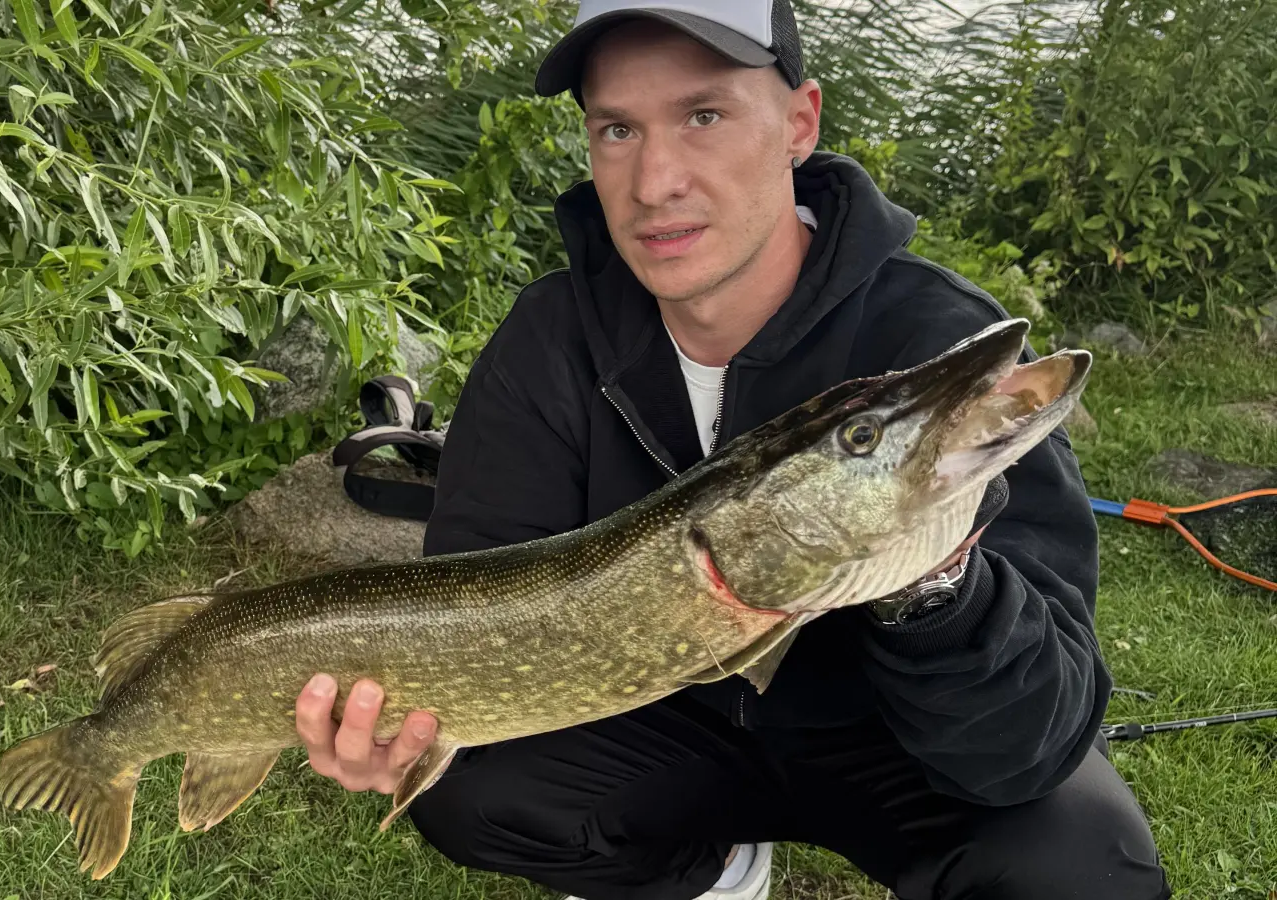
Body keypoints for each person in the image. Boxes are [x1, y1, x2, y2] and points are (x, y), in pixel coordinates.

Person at [292, 1, 1172, 897]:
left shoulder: (939, 336)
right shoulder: (548, 340)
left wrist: (935, 588)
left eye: (703, 115)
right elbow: (473, 600)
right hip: (672, 728)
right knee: (478, 792)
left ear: (799, 124)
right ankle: (717, 874)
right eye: (617, 129)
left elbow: (1034, 739)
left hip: (892, 737)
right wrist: (408, 715)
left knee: (1081, 868)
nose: (654, 182)